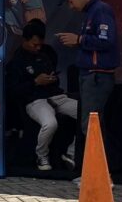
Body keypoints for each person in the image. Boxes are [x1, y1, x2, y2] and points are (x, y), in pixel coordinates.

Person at [56, 0, 119, 165]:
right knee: (90, 124)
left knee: (91, 125)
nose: (71, 7)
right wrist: (78, 42)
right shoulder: (91, 12)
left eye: (71, 1)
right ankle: (96, 169)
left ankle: (98, 171)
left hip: (97, 75)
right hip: (89, 74)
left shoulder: (101, 10)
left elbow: (106, 40)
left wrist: (79, 39)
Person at [7, 19, 77, 171]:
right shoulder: (16, 61)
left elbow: (55, 79)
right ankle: (42, 155)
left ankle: (72, 153)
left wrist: (52, 79)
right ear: (25, 40)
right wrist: (35, 82)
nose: (38, 48)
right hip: (34, 100)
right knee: (50, 123)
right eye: (34, 44)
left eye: (40, 44)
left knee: (88, 115)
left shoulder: (45, 55)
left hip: (55, 96)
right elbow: (14, 90)